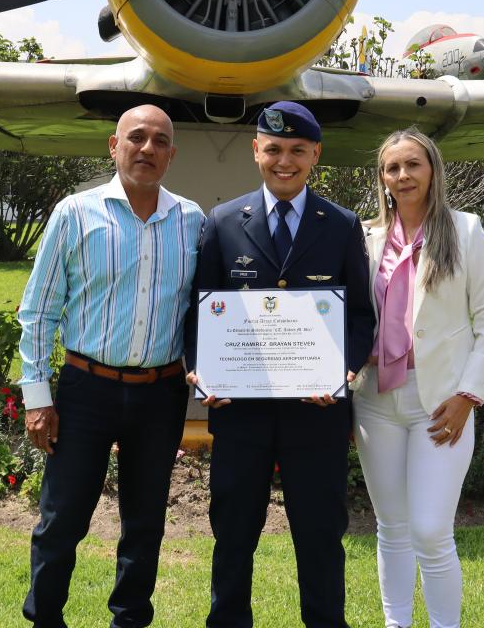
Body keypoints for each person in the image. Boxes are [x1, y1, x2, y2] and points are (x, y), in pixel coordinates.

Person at [185, 101, 376, 628]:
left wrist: (345, 371)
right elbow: (200, 309)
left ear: (316, 153)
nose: (284, 161)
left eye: (296, 150)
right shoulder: (223, 222)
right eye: (273, 149)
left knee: (319, 537)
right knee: (233, 534)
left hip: (314, 413)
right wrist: (201, 367)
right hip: (240, 411)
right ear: (255, 152)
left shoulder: (340, 225)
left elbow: (360, 316)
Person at [17, 105, 204, 628]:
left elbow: (205, 310)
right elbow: (39, 310)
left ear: (171, 154)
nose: (146, 148)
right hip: (85, 390)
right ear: (113, 145)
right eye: (136, 137)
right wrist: (38, 399)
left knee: (145, 523)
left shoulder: (192, 221)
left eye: (159, 140)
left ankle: (129, 620)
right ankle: (45, 618)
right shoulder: (74, 213)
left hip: (159, 393)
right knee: (61, 519)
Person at [355, 128, 484, 628]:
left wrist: (469, 395)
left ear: (432, 169)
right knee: (391, 527)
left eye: (413, 165)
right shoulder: (367, 237)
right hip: (376, 401)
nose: (403, 176)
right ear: (382, 178)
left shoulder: (464, 231)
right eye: (392, 168)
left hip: (441, 403)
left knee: (431, 530)